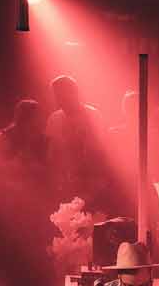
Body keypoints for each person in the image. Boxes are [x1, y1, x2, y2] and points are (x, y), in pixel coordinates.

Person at [44, 75, 110, 205]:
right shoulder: (54, 119)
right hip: (65, 184)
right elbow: (51, 153)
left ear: (74, 92)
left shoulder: (93, 115)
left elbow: (101, 152)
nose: (58, 99)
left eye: (61, 94)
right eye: (56, 95)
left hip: (91, 182)